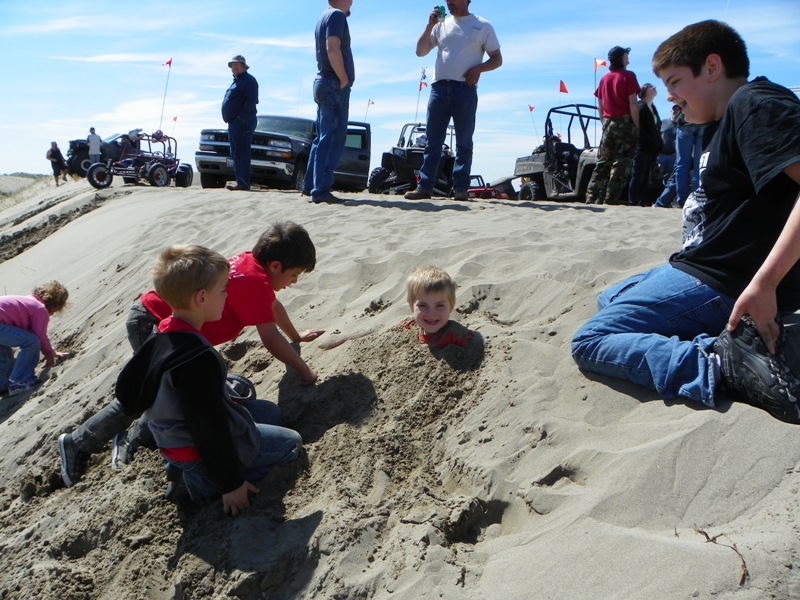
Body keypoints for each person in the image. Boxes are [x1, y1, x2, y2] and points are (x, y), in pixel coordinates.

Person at [571, 20, 800, 424]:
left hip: (728, 280)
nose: (671, 96)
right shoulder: (723, 120)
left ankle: (721, 363)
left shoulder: (756, 103)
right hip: (706, 266)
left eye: (675, 81)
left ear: (712, 67)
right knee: (610, 297)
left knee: (592, 339)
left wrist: (765, 284)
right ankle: (731, 340)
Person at [58, 222, 323, 486]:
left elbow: (272, 307)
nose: (293, 283)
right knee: (151, 391)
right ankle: (87, 442)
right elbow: (270, 338)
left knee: (165, 390)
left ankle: (142, 437)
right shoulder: (254, 282)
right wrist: (305, 371)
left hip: (158, 316)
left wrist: (296, 336)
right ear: (276, 266)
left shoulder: (251, 267)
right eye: (295, 275)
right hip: (154, 319)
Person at [404, 1, 502, 202]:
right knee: (433, 140)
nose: (450, 3)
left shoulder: (483, 25)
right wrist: (430, 25)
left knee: (464, 141)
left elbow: (497, 59)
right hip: (439, 87)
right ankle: (424, 187)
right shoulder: (440, 25)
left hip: (465, 88)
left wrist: (478, 69)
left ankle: (461, 188)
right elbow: (420, 52)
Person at [304, 0, 355, 205]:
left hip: (324, 81)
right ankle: (320, 189)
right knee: (332, 137)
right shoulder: (336, 16)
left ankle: (310, 186)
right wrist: (343, 78)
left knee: (321, 137)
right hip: (332, 82)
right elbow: (332, 48)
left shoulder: (323, 17)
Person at [584, 46, 641, 205]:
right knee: (621, 162)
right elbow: (633, 105)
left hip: (608, 123)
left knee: (603, 162)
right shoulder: (629, 76)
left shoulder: (604, 78)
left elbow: (600, 105)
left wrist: (604, 122)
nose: (628, 58)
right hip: (625, 122)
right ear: (622, 58)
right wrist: (637, 126)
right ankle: (610, 198)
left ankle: (591, 196)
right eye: (626, 55)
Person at [0, 281, 69, 395]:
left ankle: (2, 384)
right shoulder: (39, 308)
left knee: (4, 353)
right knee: (31, 342)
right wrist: (49, 353)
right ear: (56, 306)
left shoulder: (27, 301)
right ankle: (20, 381)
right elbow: (40, 336)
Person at [401, 266, 473, 348]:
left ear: (451, 307)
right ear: (411, 306)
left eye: (439, 306)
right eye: (423, 305)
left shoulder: (457, 334)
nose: (431, 313)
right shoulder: (407, 327)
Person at [653, 108, 708, 208]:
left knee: (682, 165)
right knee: (698, 165)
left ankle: (682, 200)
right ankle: (695, 200)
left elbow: (674, 97)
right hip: (703, 120)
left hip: (686, 121)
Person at [222, 55, 258, 192]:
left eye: (237, 65)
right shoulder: (237, 82)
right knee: (236, 151)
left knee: (241, 151)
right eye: (232, 65)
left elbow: (251, 100)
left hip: (243, 121)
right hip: (235, 122)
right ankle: (241, 181)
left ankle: (243, 183)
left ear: (244, 66)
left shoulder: (249, 80)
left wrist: (240, 117)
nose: (234, 67)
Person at [627, 83, 663, 206]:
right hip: (641, 147)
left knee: (647, 178)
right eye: (651, 87)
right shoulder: (640, 106)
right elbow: (637, 128)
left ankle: (643, 201)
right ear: (645, 91)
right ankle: (633, 201)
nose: (655, 88)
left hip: (652, 148)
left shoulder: (653, 108)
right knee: (638, 176)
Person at [651, 105, 681, 206]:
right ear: (670, 110)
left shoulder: (681, 125)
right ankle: (655, 200)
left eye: (677, 110)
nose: (675, 112)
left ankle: (667, 202)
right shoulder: (663, 122)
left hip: (673, 156)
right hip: (660, 155)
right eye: (674, 109)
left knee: (670, 181)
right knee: (657, 179)